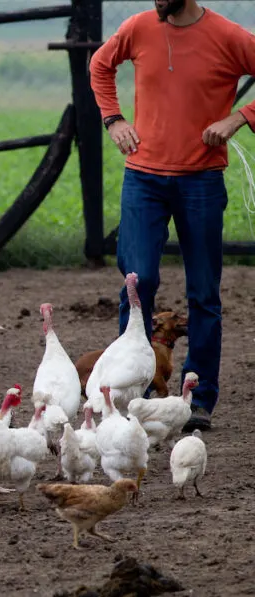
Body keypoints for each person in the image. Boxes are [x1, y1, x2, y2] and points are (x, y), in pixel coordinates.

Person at [89, 0, 255, 431]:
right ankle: (133, 392)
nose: (158, 1)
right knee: (137, 281)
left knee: (203, 293)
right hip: (143, 180)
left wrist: (239, 117)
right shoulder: (139, 27)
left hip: (200, 181)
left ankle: (197, 398)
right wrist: (113, 119)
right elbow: (100, 65)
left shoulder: (229, 36)